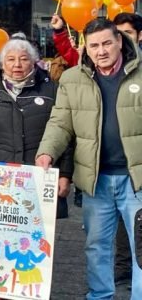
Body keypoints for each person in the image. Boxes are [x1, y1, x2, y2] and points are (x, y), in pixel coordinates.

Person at [36, 18, 142, 298]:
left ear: (120, 41)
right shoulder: (73, 78)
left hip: (137, 181)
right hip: (97, 181)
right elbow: (60, 122)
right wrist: (47, 152)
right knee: (97, 245)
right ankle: (99, 295)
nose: (101, 50)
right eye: (94, 45)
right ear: (86, 47)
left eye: (107, 42)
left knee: (141, 247)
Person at [0, 38, 73, 217]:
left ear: (33, 61)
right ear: (2, 63)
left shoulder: (51, 91)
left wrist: (65, 174)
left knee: (40, 235)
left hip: (39, 177)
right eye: (10, 59)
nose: (17, 65)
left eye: (23, 59)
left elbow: (66, 134)